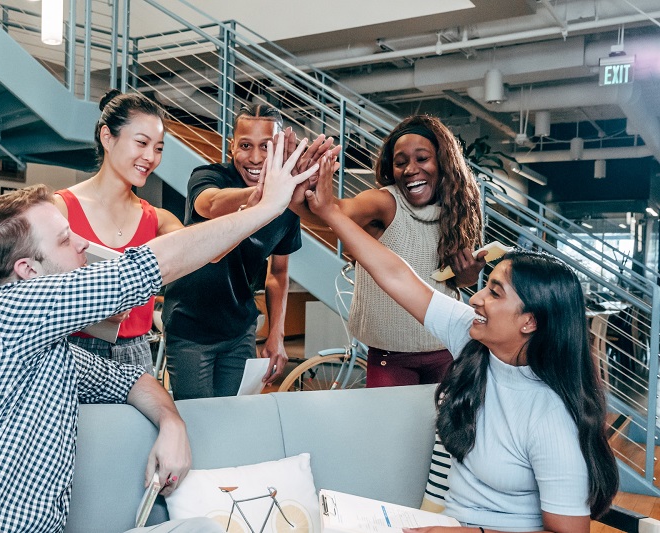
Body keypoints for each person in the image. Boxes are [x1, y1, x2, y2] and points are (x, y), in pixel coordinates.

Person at [0, 133, 318, 532]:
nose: (83, 244)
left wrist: (172, 421)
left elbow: (131, 380)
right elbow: (148, 267)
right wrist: (267, 207)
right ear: (27, 271)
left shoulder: (48, 351)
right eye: (65, 240)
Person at [305, 153, 619, 533]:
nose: (476, 298)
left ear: (530, 322)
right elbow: (397, 275)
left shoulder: (551, 416)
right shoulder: (473, 340)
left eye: (495, 293)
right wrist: (329, 212)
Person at [291, 115, 485, 388]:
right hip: (390, 357)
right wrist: (302, 189)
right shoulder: (384, 202)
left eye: (422, 158)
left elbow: (455, 283)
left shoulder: (456, 212)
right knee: (387, 418)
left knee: (442, 418)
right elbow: (335, 213)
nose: (410, 169)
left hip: (446, 348)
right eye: (400, 162)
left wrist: (468, 275)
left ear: (443, 163)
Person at [161, 104, 333, 399]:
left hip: (239, 330)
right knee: (197, 418)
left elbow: (278, 273)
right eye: (245, 146)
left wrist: (277, 334)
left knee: (233, 416)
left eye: (266, 146)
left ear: (280, 149)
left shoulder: (287, 205)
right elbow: (210, 203)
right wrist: (265, 195)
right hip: (190, 327)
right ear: (232, 146)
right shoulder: (208, 176)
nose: (254, 158)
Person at [54, 90, 183, 371]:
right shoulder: (59, 209)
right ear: (107, 137)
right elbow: (34, 292)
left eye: (158, 148)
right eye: (142, 143)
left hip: (137, 354)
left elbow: (205, 253)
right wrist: (94, 310)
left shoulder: (158, 220)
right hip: (73, 352)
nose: (150, 157)